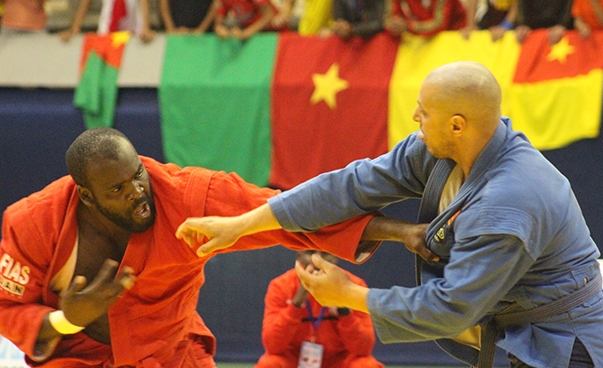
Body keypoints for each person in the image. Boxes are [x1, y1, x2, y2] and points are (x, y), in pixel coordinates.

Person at [176, 61, 603, 367]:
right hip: (524, 332)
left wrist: (348, 296)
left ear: (457, 124)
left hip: (571, 345)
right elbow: (348, 187)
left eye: (423, 114)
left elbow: (451, 308)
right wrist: (242, 223)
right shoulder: (443, 153)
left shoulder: (509, 201)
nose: (414, 118)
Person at [0, 128, 392, 367]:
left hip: (170, 355)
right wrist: (66, 320)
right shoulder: (33, 223)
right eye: (117, 190)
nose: (137, 192)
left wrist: (397, 231)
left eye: (137, 175)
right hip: (76, 359)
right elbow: (7, 308)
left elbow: (282, 212)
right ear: (86, 196)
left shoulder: (186, 196)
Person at [256, 250, 384, 368]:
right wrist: (297, 303)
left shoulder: (355, 285)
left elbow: (363, 348)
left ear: (335, 256)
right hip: (294, 359)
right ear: (299, 255)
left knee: (366, 365)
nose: (317, 260)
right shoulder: (280, 286)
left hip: (338, 360)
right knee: (269, 364)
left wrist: (343, 308)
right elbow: (272, 345)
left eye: (325, 254)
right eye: (310, 253)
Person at [59, 0, 155, 43]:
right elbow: (86, 3)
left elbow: (144, 2)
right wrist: (75, 29)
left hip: (132, 34)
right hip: (106, 33)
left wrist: (146, 28)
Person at [383, 0, 468, 38]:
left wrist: (408, 26)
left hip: (454, 38)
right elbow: (388, 19)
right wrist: (395, 26)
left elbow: (440, 24)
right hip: (421, 42)